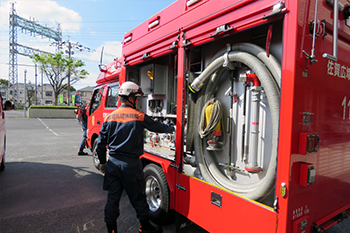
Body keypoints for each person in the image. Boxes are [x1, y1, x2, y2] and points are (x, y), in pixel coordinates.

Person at [96, 81, 174, 233]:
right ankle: (144, 228)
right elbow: (158, 127)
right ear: (131, 98)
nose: (138, 101)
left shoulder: (109, 117)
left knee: (112, 200)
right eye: (137, 98)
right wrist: (173, 127)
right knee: (138, 198)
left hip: (113, 164)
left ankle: (111, 230)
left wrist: (103, 163)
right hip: (131, 165)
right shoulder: (139, 116)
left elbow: (100, 144)